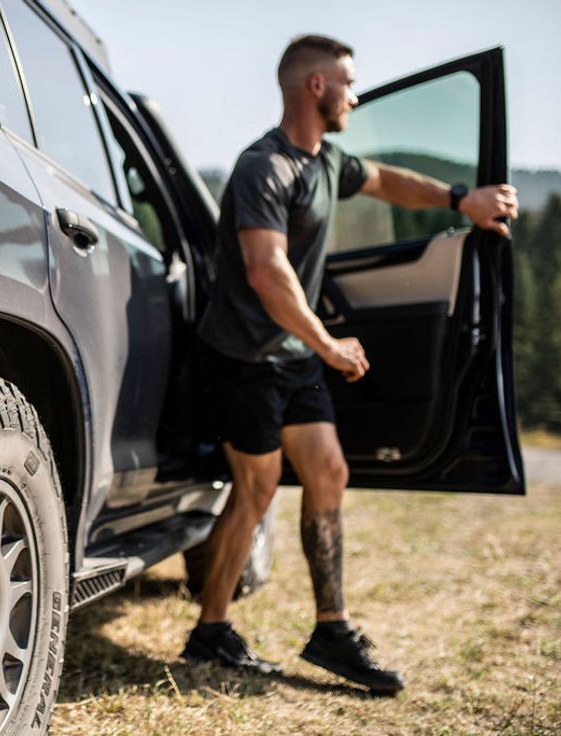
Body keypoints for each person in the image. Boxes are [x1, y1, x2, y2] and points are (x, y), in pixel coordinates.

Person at [181, 34, 519, 692]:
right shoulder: (264, 167)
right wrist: (330, 345)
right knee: (255, 489)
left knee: (328, 471)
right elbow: (266, 270)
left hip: (292, 352)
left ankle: (332, 630)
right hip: (244, 357)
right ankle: (210, 631)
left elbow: (390, 182)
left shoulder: (328, 162)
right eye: (348, 83)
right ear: (316, 87)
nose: (355, 95)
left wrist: (461, 199)